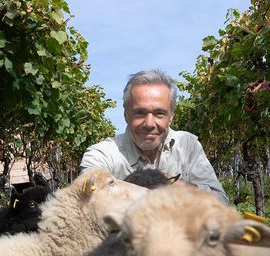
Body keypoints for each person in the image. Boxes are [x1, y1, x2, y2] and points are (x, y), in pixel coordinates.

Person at [80, 69, 229, 205]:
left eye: (159, 113)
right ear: (126, 115)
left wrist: (169, 183)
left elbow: (221, 202)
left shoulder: (188, 145)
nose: (149, 123)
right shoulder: (101, 155)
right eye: (140, 113)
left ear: (170, 116)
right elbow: (86, 200)